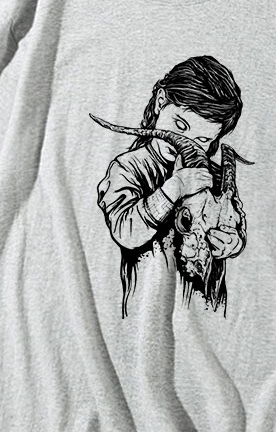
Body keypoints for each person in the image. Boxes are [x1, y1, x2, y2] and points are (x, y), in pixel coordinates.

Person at [95, 55, 248, 317]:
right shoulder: (129, 167)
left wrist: (233, 242)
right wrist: (175, 187)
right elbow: (126, 232)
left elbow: (235, 219)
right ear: (160, 101)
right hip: (146, 310)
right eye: (180, 125)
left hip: (209, 306)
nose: (184, 141)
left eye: (202, 139)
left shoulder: (213, 174)